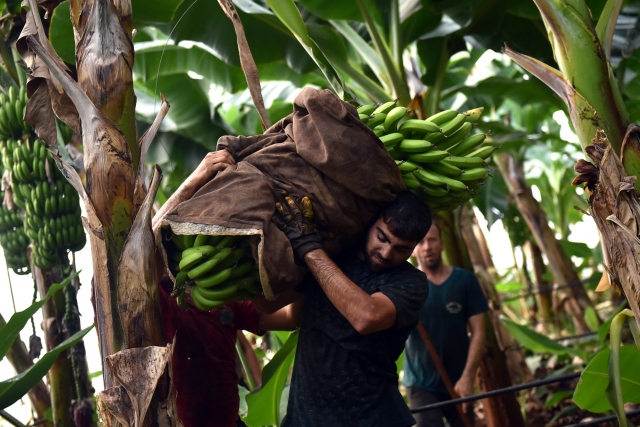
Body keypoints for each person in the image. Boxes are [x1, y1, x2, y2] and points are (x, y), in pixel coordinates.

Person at [254, 191, 433, 427]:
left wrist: (309, 248)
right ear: (371, 222)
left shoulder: (410, 283)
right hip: (304, 420)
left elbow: (366, 317)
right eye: (382, 238)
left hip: (371, 420)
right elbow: (269, 304)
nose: (386, 253)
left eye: (401, 249)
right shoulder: (332, 257)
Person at [153, 151, 264, 427]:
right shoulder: (158, 299)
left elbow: (287, 318)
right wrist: (193, 182)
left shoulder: (224, 295)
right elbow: (138, 258)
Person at [403, 215, 489, 427]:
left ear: (441, 244)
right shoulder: (405, 287)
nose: (427, 247)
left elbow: (479, 332)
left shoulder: (465, 281)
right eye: (421, 242)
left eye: (432, 240)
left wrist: (468, 377)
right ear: (413, 250)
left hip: (458, 382)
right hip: (420, 384)